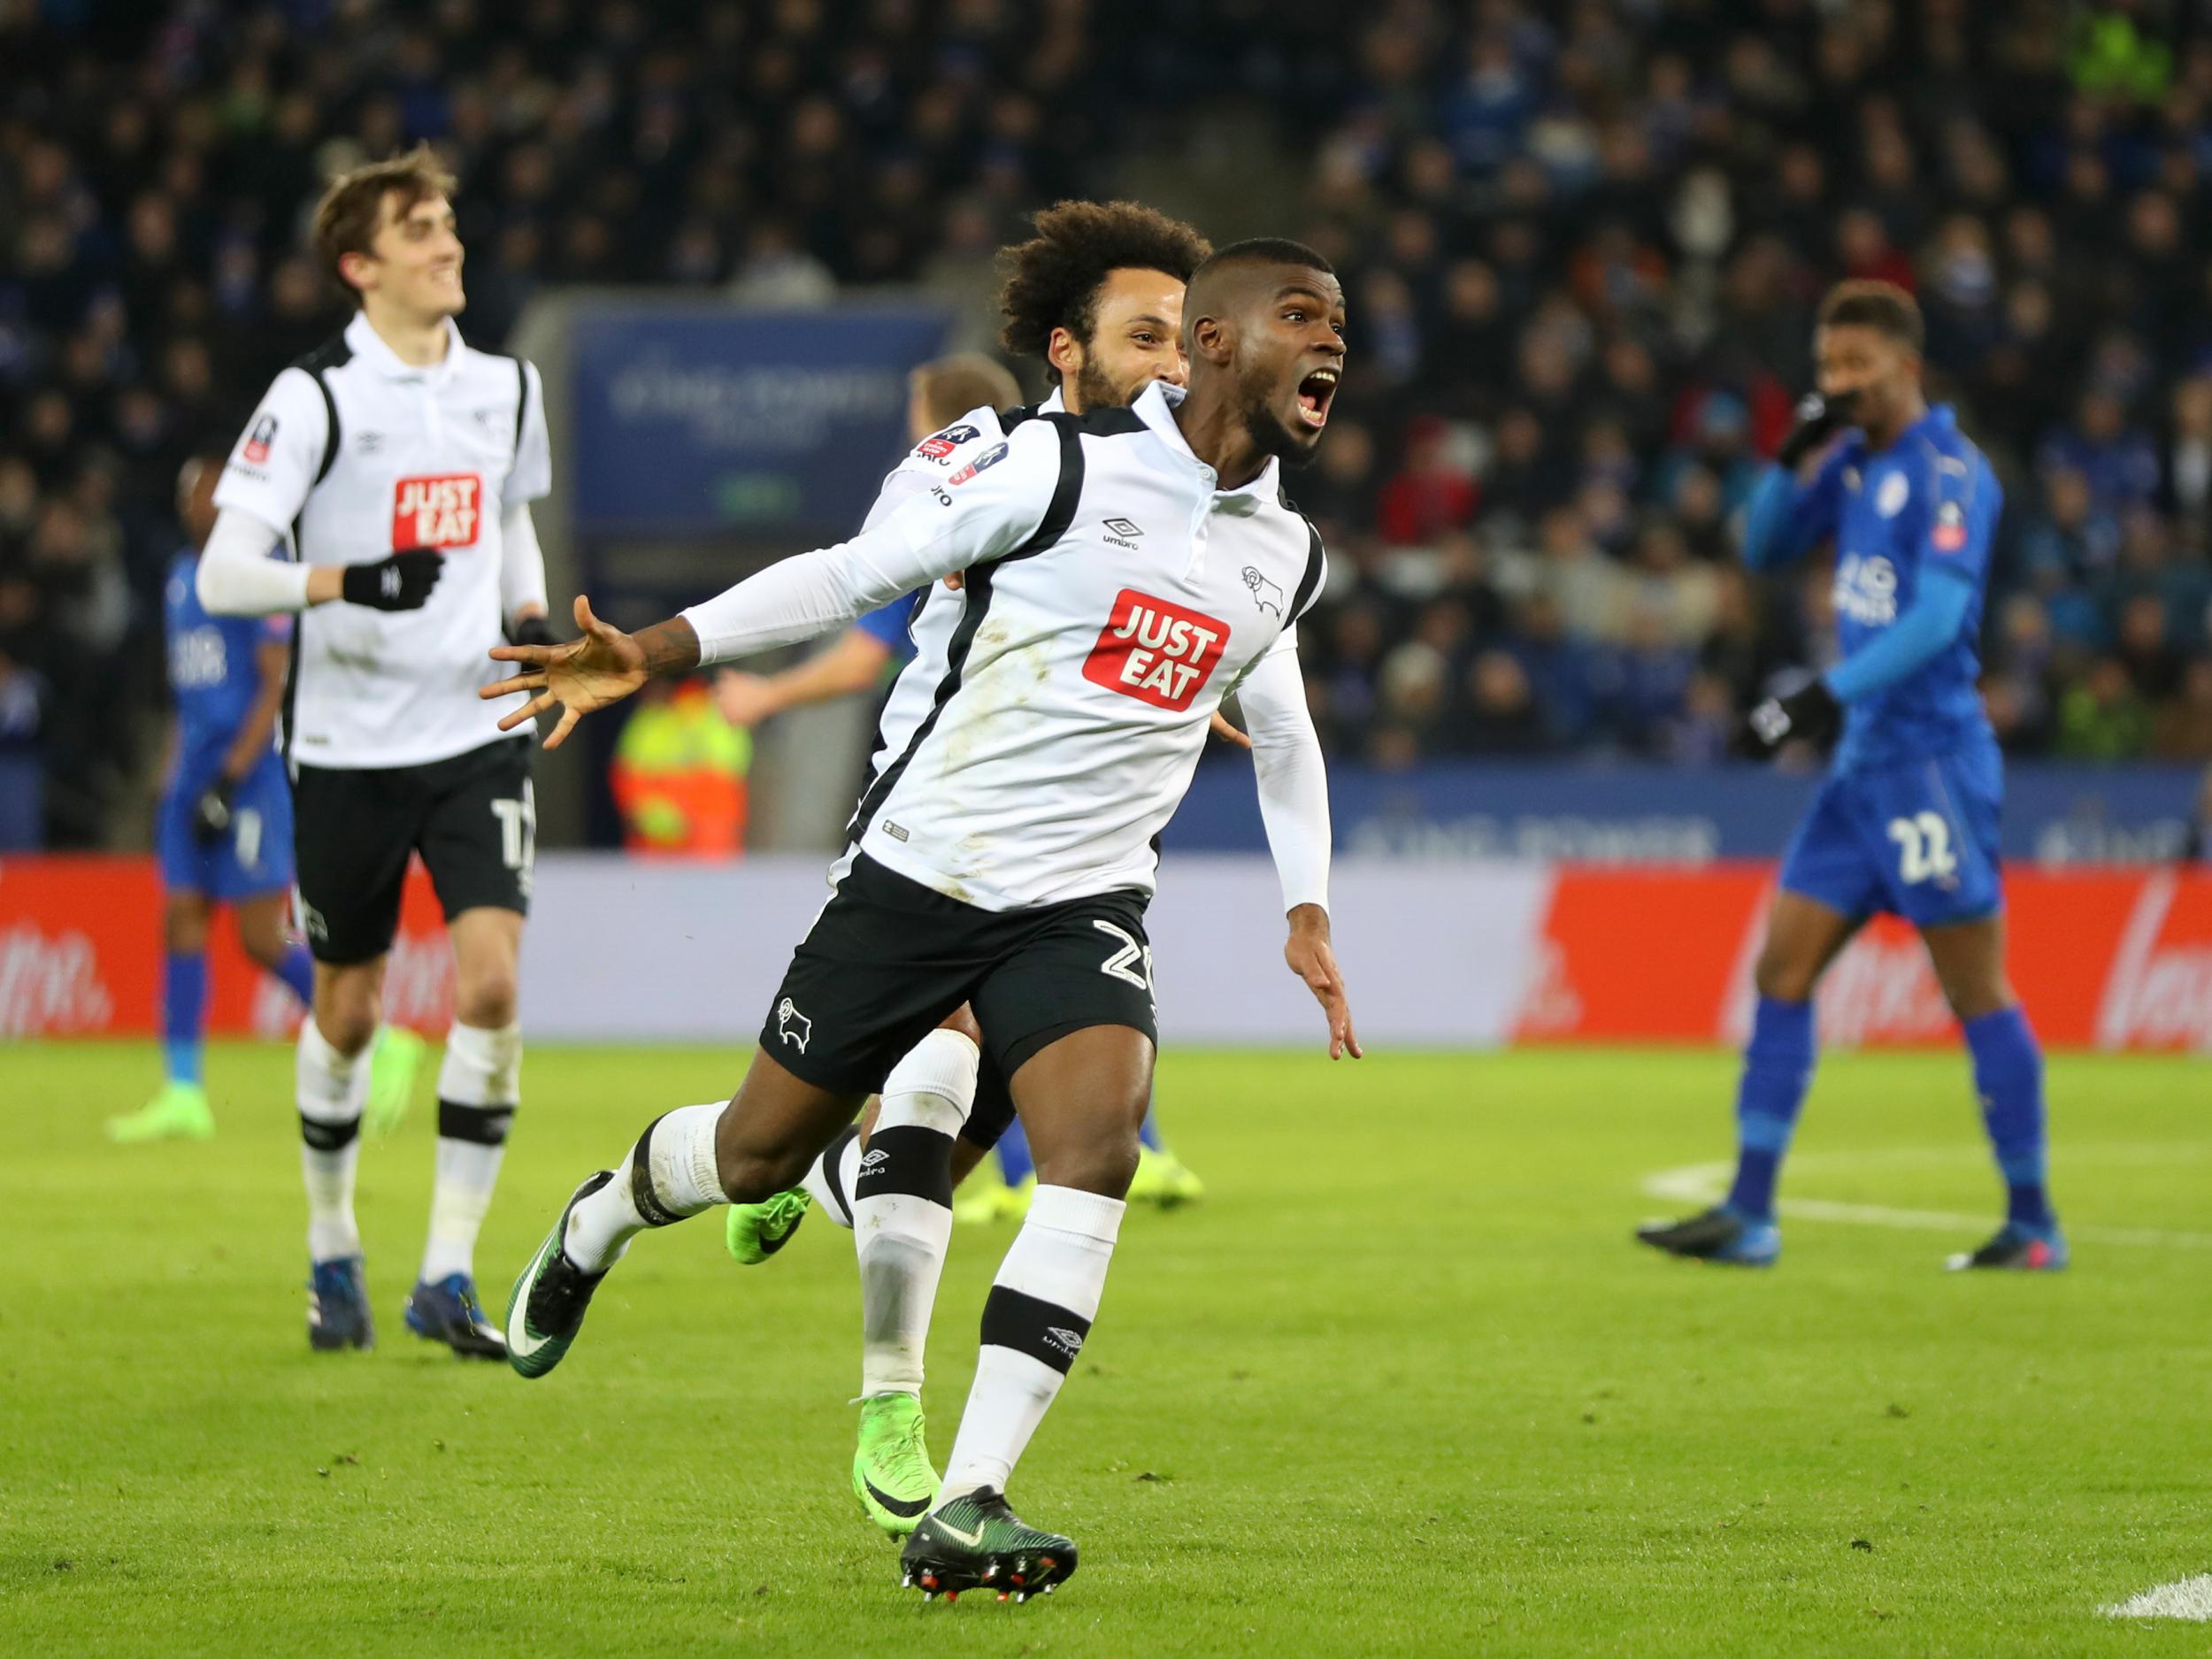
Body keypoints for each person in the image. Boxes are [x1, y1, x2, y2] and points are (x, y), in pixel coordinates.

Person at [489, 238, 1358, 1601]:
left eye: (1341, 323)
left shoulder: (1286, 552)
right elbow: (848, 576)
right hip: (919, 879)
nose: (1331, 342)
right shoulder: (1051, 467)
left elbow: (1289, 730)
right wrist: (654, 650)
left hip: (1078, 903)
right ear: (1215, 342)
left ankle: (967, 1495)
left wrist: (1305, 905)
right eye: (1301, 315)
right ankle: (603, 1214)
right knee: (758, 1154)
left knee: (1096, 1145)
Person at [715, 204, 1217, 1546]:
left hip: (1055, 865)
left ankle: (904, 1404)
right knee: (881, 1102)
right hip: (924, 830)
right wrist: (713, 668)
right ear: (1063, 354)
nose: (1176, 364)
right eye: (1148, 334)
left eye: (1184, 337)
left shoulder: (1177, 508)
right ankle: (789, 1212)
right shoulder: (980, 476)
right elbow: (860, 604)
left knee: (982, 1092)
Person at [196, 145, 557, 1356]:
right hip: (346, 746)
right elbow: (225, 568)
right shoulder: (316, 399)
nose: (448, 243)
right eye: (418, 229)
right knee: (346, 1010)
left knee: (494, 983)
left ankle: (448, 1270)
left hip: (473, 731)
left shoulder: (507, 385)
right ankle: (332, 1246)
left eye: (449, 222)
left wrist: (525, 618)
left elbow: (511, 520)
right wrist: (348, 578)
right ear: (361, 266)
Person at [1638, 281, 2062, 1273]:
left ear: (1904, 366)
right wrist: (1790, 458)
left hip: (1931, 765)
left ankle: (2033, 1222)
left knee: (1974, 988)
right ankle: (1749, 1213)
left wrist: (1824, 692)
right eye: (1826, 369)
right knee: (1780, 970)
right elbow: (1763, 545)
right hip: (1859, 771)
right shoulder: (1854, 466)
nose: (1840, 385)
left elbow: (1936, 620)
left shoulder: (1951, 472)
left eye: (1855, 368)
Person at [106, 456, 330, 1143]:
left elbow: (273, 684)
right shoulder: (180, 577)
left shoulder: (256, 571)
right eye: (183, 489)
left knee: (262, 938)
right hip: (193, 780)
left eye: (201, 488)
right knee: (181, 919)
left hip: (250, 778)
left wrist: (231, 779)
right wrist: (176, 779)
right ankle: (183, 1092)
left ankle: (369, 1034)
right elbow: (188, 694)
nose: (190, 501)